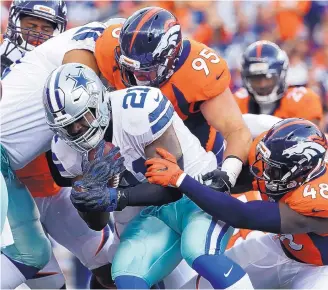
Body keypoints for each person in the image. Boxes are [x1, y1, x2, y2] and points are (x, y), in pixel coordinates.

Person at [44, 63, 254, 289]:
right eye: (67, 127)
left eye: (82, 118)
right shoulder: (64, 150)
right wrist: (91, 193)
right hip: (147, 216)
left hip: (198, 194)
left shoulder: (139, 109)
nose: (77, 130)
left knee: (201, 253)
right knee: (125, 275)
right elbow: (97, 224)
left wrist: (115, 196)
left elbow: (171, 188)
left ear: (99, 102)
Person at [145, 118, 328, 289]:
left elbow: (241, 215)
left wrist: (181, 179)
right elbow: (232, 181)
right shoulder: (295, 169)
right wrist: (192, 179)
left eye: (274, 169)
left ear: (300, 171)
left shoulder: (321, 203)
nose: (265, 172)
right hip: (285, 246)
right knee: (207, 283)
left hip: (326, 269)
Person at [0, 12, 120, 288]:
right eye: (31, 24)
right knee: (34, 259)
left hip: (51, 189)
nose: (38, 33)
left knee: (111, 271)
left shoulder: (75, 59)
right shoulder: (80, 57)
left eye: (46, 26)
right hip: (15, 183)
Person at [91, 6, 252, 190]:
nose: (135, 77)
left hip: (191, 149)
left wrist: (227, 173)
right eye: (129, 69)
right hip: (129, 143)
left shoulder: (197, 69)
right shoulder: (108, 46)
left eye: (145, 71)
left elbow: (237, 131)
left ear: (170, 59)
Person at [234, 40, 323, 126]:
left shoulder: (301, 98)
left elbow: (309, 135)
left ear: (282, 75)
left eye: (268, 78)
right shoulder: (237, 101)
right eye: (256, 79)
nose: (262, 85)